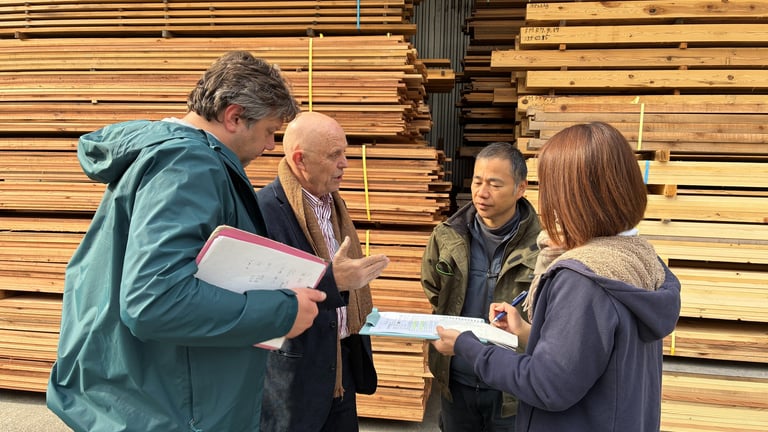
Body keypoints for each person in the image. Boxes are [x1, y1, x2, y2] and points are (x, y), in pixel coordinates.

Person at [47, 51, 328, 432]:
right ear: (234, 116)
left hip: (152, 395)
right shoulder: (188, 165)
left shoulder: (174, 156)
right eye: (268, 131)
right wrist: (282, 311)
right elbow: (154, 301)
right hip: (170, 411)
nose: (269, 146)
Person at [432, 122, 682, 432]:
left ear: (574, 195)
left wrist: (468, 347)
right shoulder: (640, 258)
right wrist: (526, 332)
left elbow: (547, 385)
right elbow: (587, 357)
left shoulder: (583, 279)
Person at [256, 111, 390, 431]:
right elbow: (259, 297)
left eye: (345, 152)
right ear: (300, 160)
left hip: (341, 370)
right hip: (295, 380)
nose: (345, 162)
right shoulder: (263, 211)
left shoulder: (331, 203)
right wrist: (334, 280)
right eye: (335, 155)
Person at [421, 142, 541, 432]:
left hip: (510, 387)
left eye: (495, 184)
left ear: (520, 188)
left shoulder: (542, 247)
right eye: (478, 181)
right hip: (456, 379)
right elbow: (433, 288)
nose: (482, 193)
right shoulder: (447, 236)